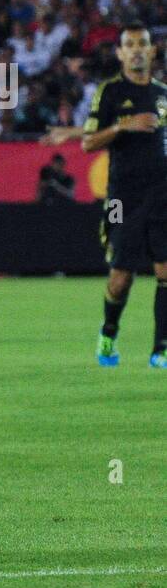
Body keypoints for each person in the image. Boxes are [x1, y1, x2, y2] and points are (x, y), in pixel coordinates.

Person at [81, 22, 167, 368]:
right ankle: (108, 334)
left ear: (152, 51)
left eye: (141, 43)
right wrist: (122, 126)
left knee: (165, 270)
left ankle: (160, 349)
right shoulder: (110, 93)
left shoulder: (163, 94)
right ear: (119, 53)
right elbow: (88, 142)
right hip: (121, 199)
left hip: (162, 195)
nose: (135, 49)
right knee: (121, 277)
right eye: (128, 44)